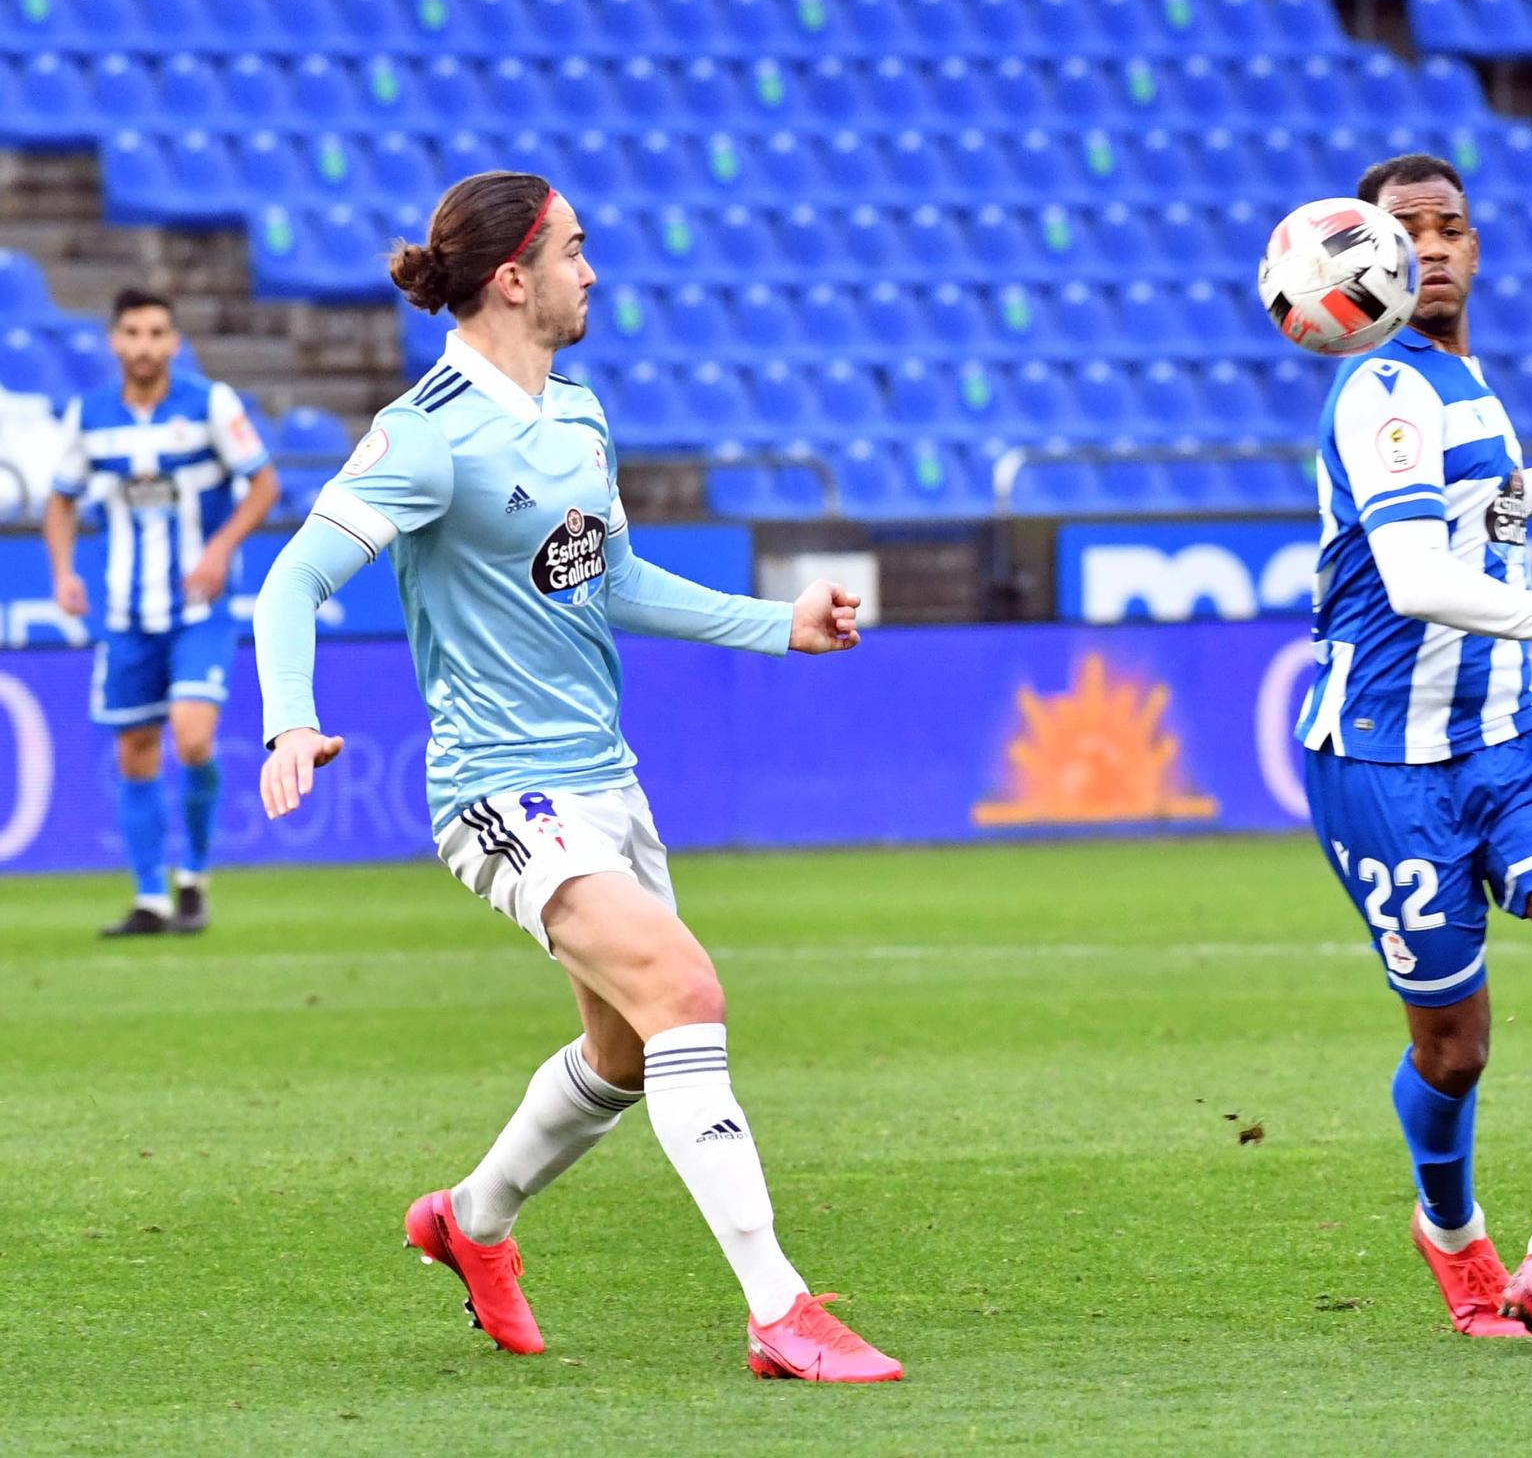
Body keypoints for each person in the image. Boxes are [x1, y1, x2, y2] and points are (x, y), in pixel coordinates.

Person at [252, 171, 899, 1383]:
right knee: (683, 988)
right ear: (512, 276)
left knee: (628, 1048)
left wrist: (781, 624)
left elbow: (615, 581)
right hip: (500, 791)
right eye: (574, 250)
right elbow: (293, 582)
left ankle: (469, 1221)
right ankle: (779, 1308)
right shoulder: (427, 433)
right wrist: (292, 720)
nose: (591, 271)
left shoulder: (581, 414)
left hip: (606, 781)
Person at [1296, 154, 1532, 1349]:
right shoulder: (1382, 392)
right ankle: (1451, 1232)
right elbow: (1414, 580)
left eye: (1452, 225)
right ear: (1370, 260)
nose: (1436, 245)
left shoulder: (1465, 379)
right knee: (1453, 1052)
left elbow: (1471, 524)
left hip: (1509, 740)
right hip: (1384, 767)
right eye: (1407, 230)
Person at [42, 288, 278, 936]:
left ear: (173, 342)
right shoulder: (90, 416)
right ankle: (151, 898)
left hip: (198, 608)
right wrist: (63, 573)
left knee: (193, 737)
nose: (145, 345)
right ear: (115, 341)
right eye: (133, 333)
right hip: (124, 614)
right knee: (136, 749)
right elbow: (60, 501)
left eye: (156, 333)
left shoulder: (210, 403)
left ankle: (194, 874)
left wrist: (220, 549)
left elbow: (264, 482)